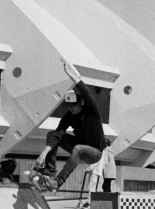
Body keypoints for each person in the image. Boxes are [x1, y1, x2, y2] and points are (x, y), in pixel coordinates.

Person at [33, 60, 106, 192]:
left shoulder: (91, 109)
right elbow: (57, 135)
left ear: (80, 103)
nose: (71, 110)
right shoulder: (69, 116)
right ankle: (49, 174)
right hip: (80, 147)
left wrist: (69, 72)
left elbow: (84, 90)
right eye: (69, 107)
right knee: (51, 135)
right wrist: (43, 154)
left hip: (95, 152)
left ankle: (57, 183)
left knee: (78, 148)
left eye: (73, 107)